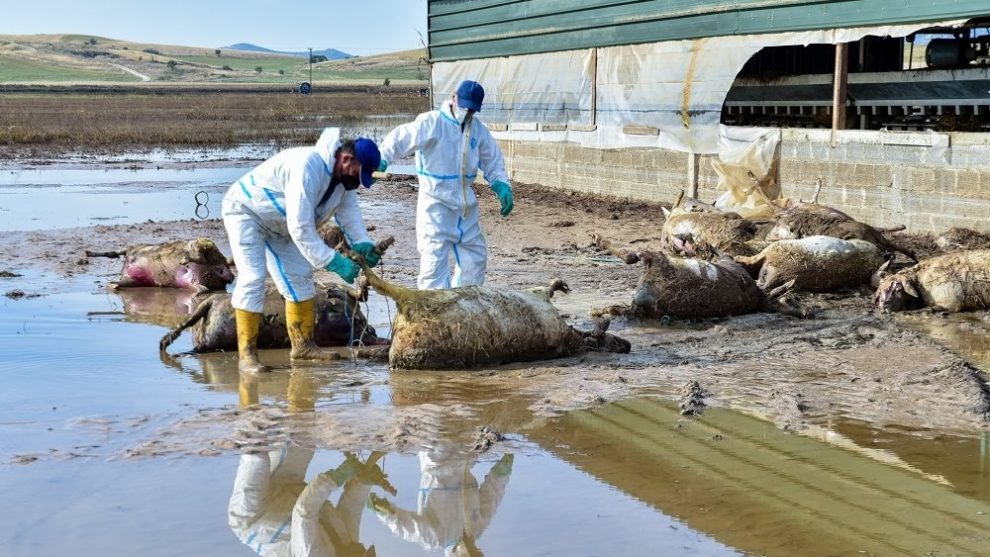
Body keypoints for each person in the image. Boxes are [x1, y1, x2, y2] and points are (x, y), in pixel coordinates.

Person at [222, 128, 382, 373]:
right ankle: (247, 357)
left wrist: (363, 243)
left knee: (300, 277)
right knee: (252, 277)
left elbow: (350, 216)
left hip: (281, 225)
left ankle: (303, 348)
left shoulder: (343, 182)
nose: (358, 181)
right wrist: (334, 262)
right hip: (247, 213)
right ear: (347, 159)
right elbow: (301, 227)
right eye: (359, 174)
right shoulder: (308, 166)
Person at [377, 80, 513, 290]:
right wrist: (382, 158)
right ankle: (434, 318)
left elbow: (492, 159)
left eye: (471, 110)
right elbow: (400, 138)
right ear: (453, 97)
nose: (466, 112)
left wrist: (501, 184)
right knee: (433, 267)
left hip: (465, 208)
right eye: (464, 106)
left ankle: (463, 306)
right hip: (436, 207)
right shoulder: (431, 123)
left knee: (475, 260)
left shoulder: (477, 130)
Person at [367, 447, 513, 557]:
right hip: (467, 455)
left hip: (436, 458)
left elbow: (405, 526)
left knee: (440, 416)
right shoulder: (476, 529)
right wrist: (502, 473)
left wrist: (383, 511)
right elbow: (491, 496)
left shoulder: (436, 537)